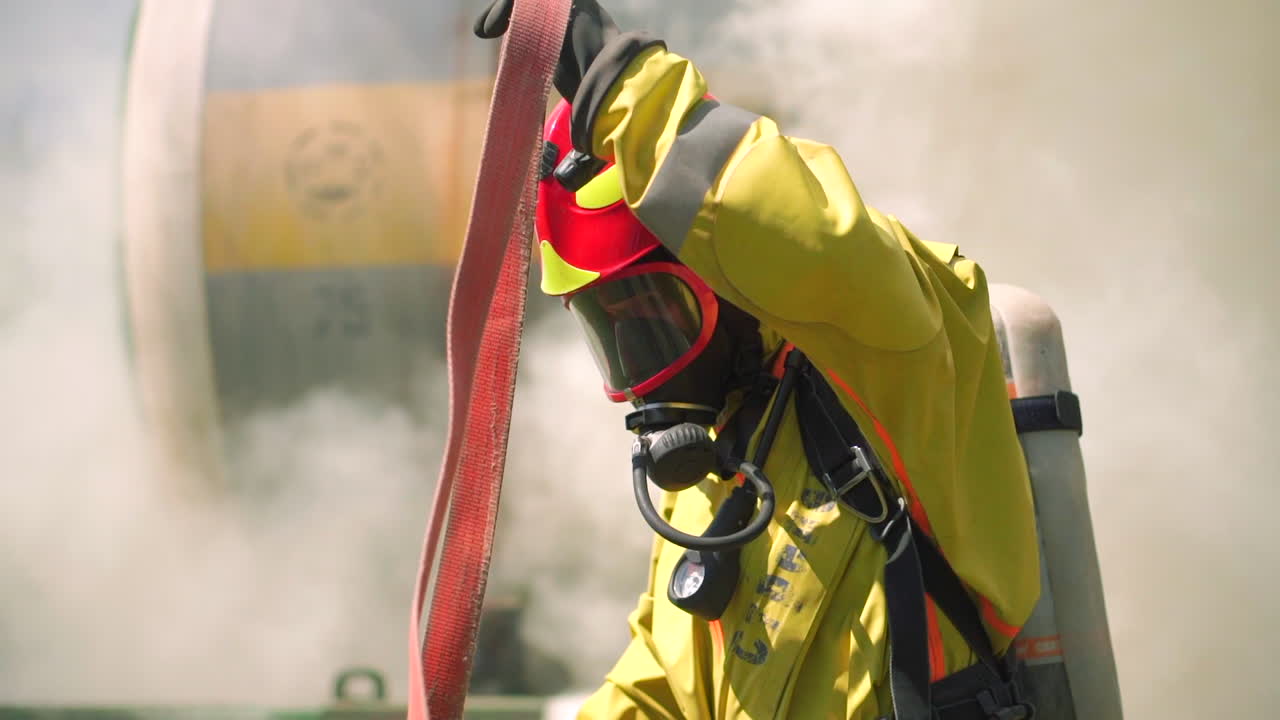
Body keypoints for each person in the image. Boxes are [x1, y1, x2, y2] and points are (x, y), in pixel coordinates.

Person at [476, 2, 1041, 718]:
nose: (647, 368)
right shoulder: (714, 475)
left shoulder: (888, 352)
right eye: (610, 330)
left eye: (658, 314)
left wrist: (615, 80)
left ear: (728, 277)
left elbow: (793, 228)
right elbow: (663, 687)